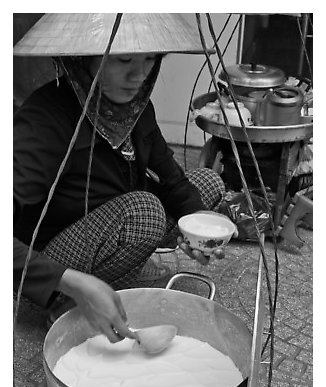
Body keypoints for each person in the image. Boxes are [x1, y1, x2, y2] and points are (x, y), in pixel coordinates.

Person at [13, 13, 229, 343]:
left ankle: (119, 264)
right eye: (124, 59)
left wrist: (196, 226)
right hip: (51, 252)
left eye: (149, 59)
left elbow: (172, 179)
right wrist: (70, 281)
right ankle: (64, 300)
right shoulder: (45, 117)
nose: (138, 75)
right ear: (84, 58)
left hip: (113, 217)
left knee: (207, 185)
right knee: (145, 212)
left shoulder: (136, 107)